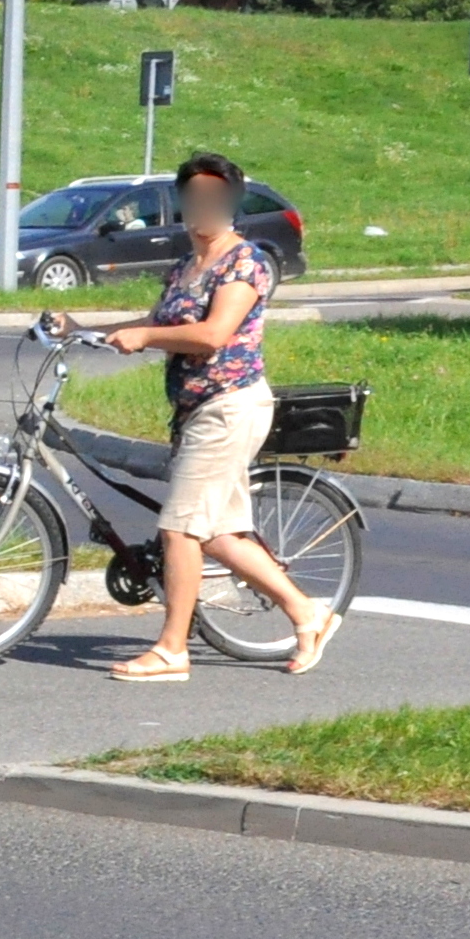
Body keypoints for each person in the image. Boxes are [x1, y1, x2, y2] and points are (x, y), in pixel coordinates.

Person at [53, 150, 339, 681]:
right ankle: (308, 612)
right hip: (195, 410)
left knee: (180, 529)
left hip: (229, 406)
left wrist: (147, 337)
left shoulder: (244, 262)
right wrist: (82, 327)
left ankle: (171, 649)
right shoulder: (185, 266)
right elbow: (158, 321)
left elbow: (212, 335)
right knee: (218, 534)